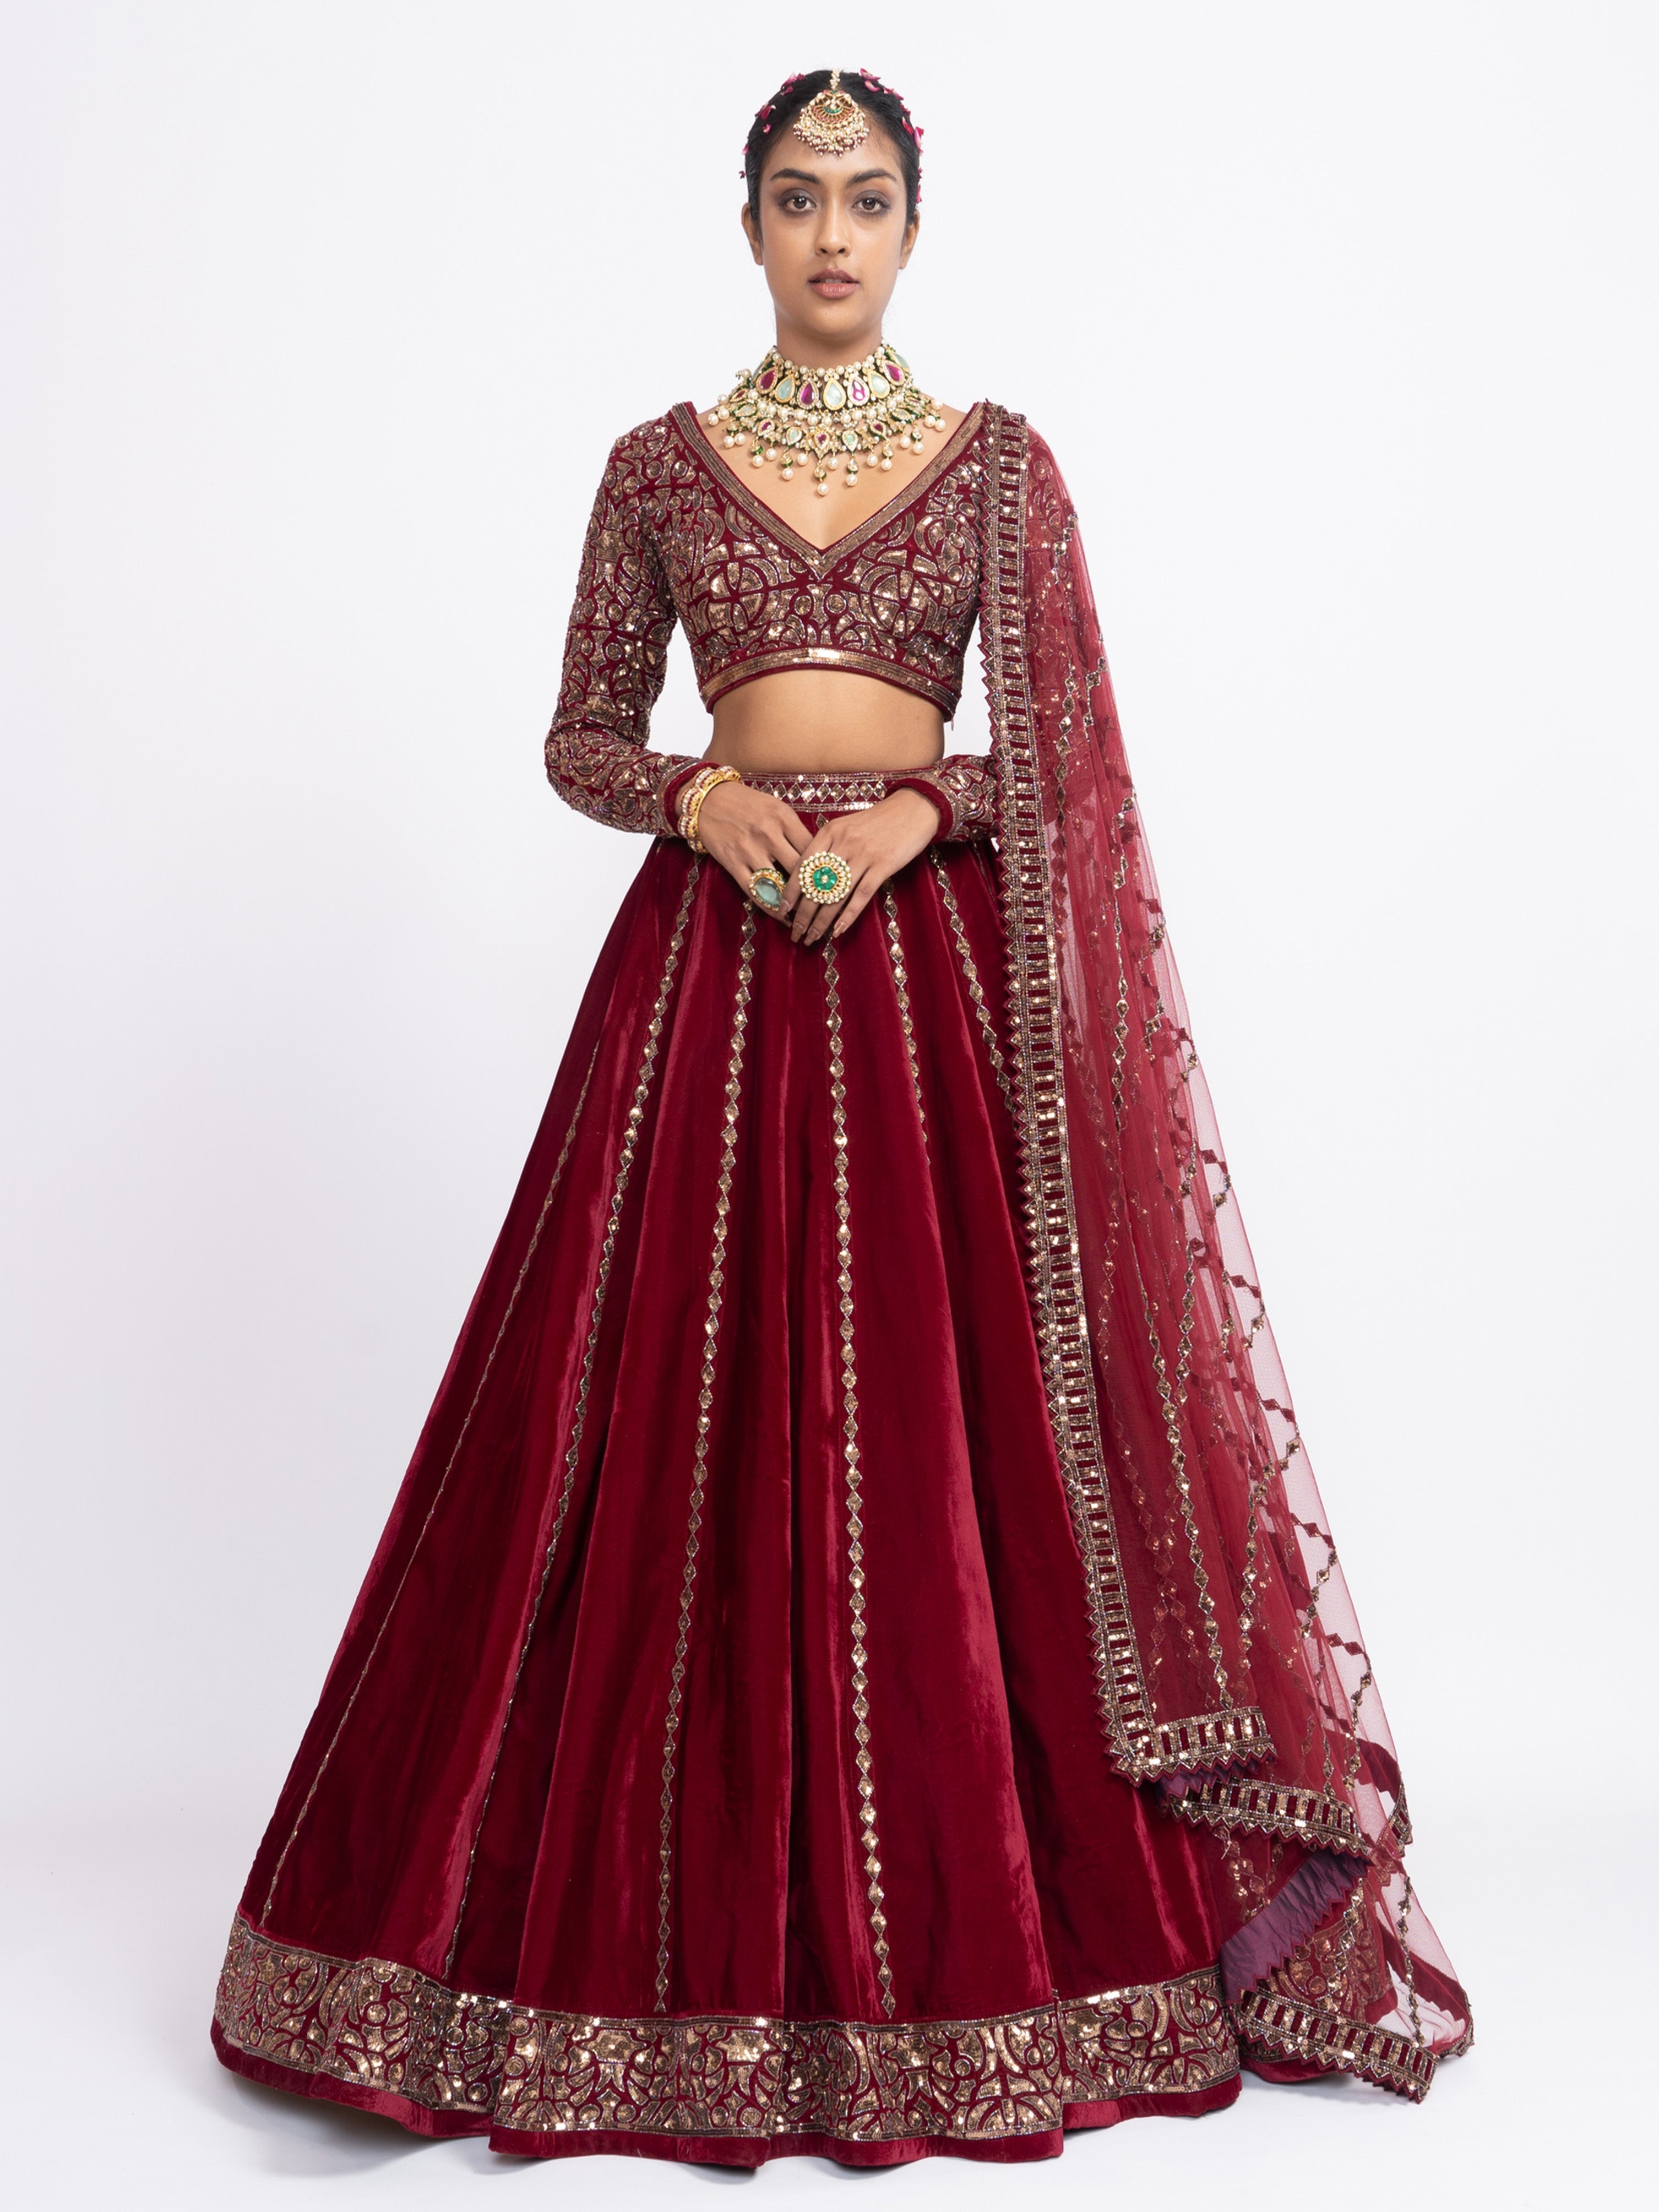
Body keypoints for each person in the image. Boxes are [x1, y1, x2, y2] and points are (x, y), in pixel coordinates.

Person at [210, 67, 1471, 2166]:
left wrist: (921, 807)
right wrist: (699, 797)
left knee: (945, 1436)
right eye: (796, 198)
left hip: (918, 982)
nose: (829, 234)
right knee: (642, 1420)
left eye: (866, 199)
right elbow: (579, 731)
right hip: (705, 970)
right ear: (747, 226)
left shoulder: (998, 470)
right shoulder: (655, 465)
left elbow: (1071, 748)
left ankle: (987, 1938)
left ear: (912, 228)